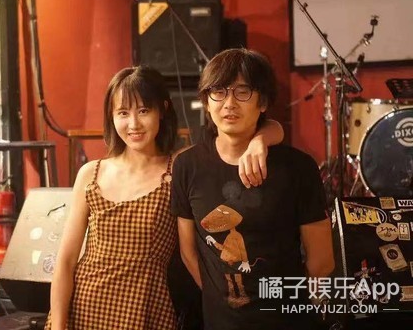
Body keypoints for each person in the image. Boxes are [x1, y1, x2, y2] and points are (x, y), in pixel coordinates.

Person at [47, 65, 284, 330]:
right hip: (84, 310)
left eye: (143, 111)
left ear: (163, 109)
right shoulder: (91, 173)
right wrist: (58, 326)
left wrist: (260, 141)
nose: (134, 124)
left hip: (145, 312)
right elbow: (66, 262)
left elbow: (264, 128)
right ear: (111, 117)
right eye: (123, 113)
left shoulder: (181, 166)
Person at [171, 49, 334, 330]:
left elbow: (322, 261)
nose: (229, 103)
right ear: (206, 102)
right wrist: (221, 304)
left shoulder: (297, 167)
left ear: (263, 102)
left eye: (243, 91)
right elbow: (189, 252)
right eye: (218, 92)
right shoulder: (187, 166)